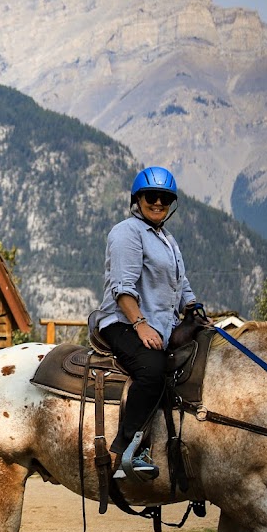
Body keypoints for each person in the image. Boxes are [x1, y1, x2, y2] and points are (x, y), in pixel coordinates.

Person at [92, 167, 207, 481]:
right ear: (137, 198)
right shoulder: (126, 233)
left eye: (165, 198)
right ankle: (129, 448)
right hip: (122, 321)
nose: (158, 202)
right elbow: (122, 288)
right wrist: (141, 324)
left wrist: (194, 308)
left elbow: (180, 286)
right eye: (151, 196)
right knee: (152, 369)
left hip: (160, 325)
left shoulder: (168, 240)